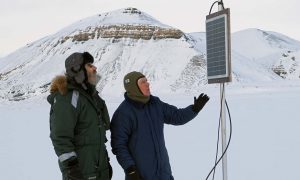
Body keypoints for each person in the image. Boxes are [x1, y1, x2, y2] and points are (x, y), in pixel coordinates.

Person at [110, 71, 210, 180]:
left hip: (164, 172)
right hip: (141, 175)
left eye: (146, 81)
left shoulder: (155, 104)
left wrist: (194, 109)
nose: (147, 84)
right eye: (143, 82)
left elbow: (176, 116)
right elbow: (119, 146)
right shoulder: (123, 113)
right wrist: (130, 169)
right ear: (133, 87)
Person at [47, 52, 112, 180]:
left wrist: (105, 160)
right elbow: (60, 137)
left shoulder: (91, 97)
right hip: (81, 174)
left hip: (99, 171)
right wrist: (71, 168)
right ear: (77, 69)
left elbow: (97, 134)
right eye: (89, 65)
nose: (95, 68)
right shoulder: (68, 97)